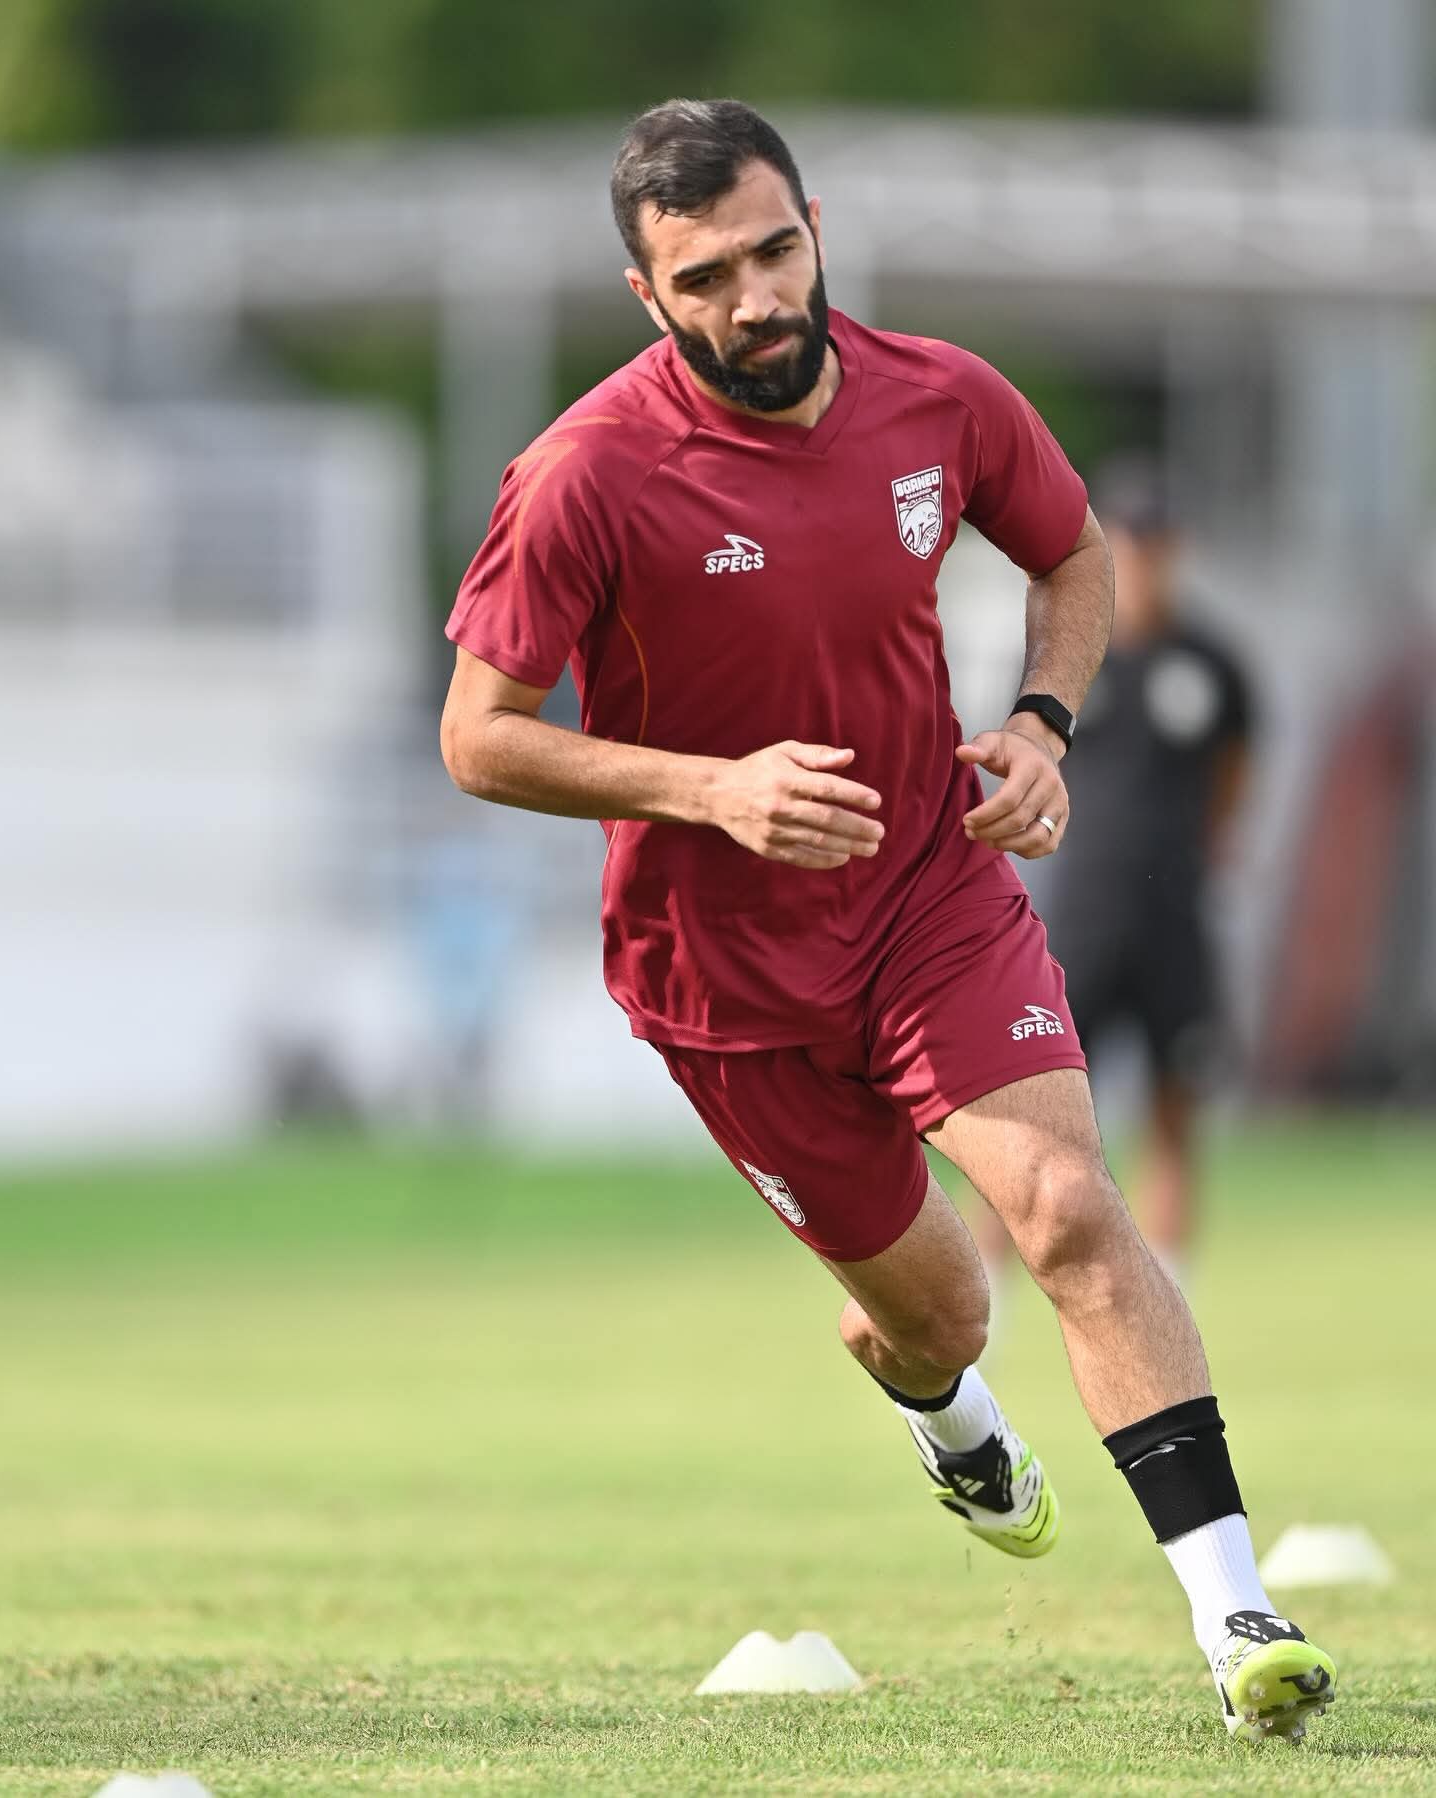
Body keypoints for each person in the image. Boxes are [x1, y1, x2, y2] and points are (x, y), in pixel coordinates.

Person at [439, 99, 1335, 1742]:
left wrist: (1044, 722)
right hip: (723, 978)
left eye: (775, 251)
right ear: (647, 295)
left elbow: (1074, 560)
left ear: (817, 227)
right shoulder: (582, 473)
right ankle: (947, 1414)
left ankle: (1238, 1614)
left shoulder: (946, 398)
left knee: (1064, 1205)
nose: (757, 298)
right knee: (936, 1313)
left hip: (930, 892)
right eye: (706, 279)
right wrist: (711, 789)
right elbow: (478, 736)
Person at [975, 455, 1254, 1291]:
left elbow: (1236, 774)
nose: (1146, 561)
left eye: (1158, 544)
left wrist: (1205, 852)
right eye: (1131, 545)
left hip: (1175, 920)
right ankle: (988, 1303)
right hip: (1079, 919)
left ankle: (1172, 1300)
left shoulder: (1213, 663)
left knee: (1174, 1113)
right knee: (1034, 1120)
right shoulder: (1065, 661)